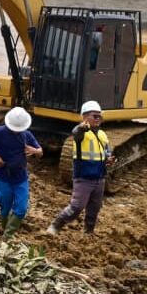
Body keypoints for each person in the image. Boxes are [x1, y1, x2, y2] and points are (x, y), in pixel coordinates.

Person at [47, 100, 114, 235]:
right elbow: (76, 132)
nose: (98, 118)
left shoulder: (102, 134)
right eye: (94, 116)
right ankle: (55, 226)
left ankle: (88, 232)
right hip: (84, 177)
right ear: (85, 117)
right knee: (77, 207)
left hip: (99, 178)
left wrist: (108, 158)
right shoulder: (81, 133)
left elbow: (106, 151)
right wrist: (82, 127)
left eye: (99, 116)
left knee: (94, 208)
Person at [0, 107, 42, 237]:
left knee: (21, 209)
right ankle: (5, 227)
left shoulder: (26, 135)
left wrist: (35, 151)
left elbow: (40, 152)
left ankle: (7, 236)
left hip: (21, 178)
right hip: (3, 177)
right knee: (5, 208)